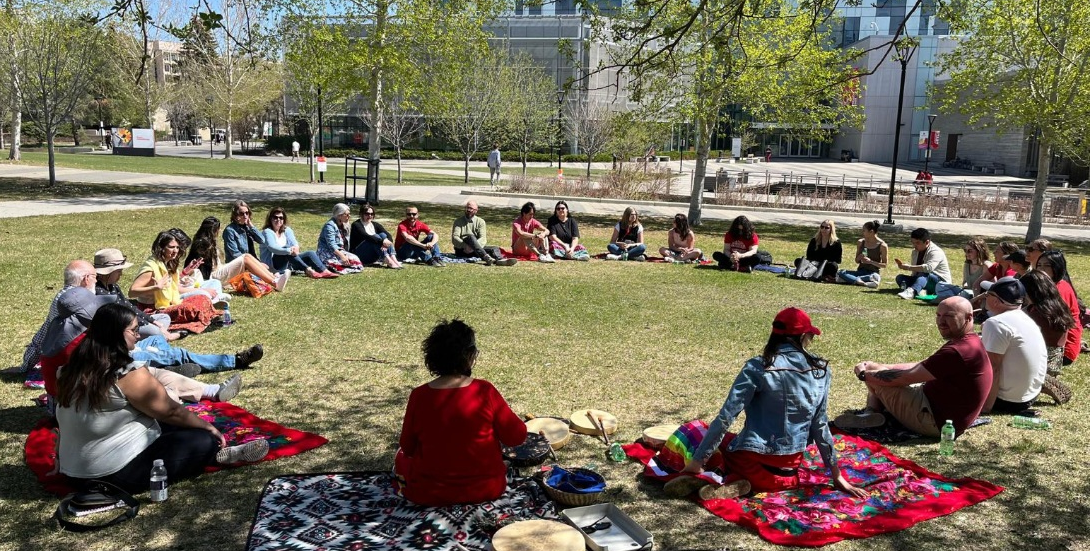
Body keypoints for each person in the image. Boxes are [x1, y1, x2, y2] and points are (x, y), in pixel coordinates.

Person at [55, 304, 269, 495]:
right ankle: (215, 453)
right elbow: (171, 411)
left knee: (170, 425)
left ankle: (214, 450)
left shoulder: (68, 370)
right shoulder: (126, 373)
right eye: (134, 330)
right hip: (112, 474)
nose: (138, 336)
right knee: (203, 439)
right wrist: (208, 427)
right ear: (115, 334)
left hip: (72, 472)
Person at [663, 308, 867, 501]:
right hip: (789, 476)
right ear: (802, 337)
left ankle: (711, 476)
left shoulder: (758, 366)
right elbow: (820, 424)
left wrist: (698, 460)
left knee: (694, 430)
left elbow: (726, 417)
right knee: (726, 445)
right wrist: (836, 474)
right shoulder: (820, 369)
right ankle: (731, 482)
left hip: (751, 465)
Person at [394, 319, 527, 506]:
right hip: (487, 488)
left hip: (428, 492)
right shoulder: (484, 391)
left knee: (400, 458)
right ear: (469, 356)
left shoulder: (419, 396)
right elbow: (517, 436)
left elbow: (407, 447)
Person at [39, 288, 255, 397]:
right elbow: (112, 363)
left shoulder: (60, 330)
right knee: (161, 365)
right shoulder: (80, 343)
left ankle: (175, 369)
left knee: (155, 343)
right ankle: (225, 372)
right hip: (84, 396)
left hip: (84, 387)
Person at [835, 296, 992, 438]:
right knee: (875, 369)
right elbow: (921, 366)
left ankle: (871, 413)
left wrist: (865, 375)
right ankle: (872, 413)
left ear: (968, 318)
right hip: (942, 410)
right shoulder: (969, 342)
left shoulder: (957, 351)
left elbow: (906, 377)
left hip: (935, 422)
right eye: (938, 315)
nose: (940, 321)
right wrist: (882, 366)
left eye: (949, 316)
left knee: (875, 377)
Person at [979, 277, 1047, 414]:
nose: (984, 298)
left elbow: (993, 367)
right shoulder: (1026, 319)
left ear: (996, 301)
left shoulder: (996, 323)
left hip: (1007, 400)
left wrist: (986, 406)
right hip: (1030, 396)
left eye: (987, 295)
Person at [17, 260, 97, 373]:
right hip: (78, 364)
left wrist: (26, 365)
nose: (96, 280)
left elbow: (43, 334)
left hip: (54, 362)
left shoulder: (61, 298)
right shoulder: (84, 301)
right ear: (86, 278)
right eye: (95, 277)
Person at [92, 248, 178, 341]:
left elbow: (128, 306)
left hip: (131, 321)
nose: (121, 274)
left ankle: (158, 335)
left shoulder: (113, 286)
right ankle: (161, 336)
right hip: (121, 327)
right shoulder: (99, 292)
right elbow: (122, 316)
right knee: (154, 331)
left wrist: (152, 320)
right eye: (118, 271)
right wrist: (146, 323)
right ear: (107, 273)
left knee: (163, 317)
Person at [186, 216, 289, 292]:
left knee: (247, 256)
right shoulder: (203, 244)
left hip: (218, 270)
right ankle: (275, 282)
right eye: (218, 229)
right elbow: (203, 269)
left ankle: (274, 278)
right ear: (214, 230)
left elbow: (261, 240)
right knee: (245, 258)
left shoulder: (206, 241)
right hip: (212, 277)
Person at [1021, 270, 1075, 404]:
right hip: (1055, 360)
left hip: (1039, 360)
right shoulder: (1058, 307)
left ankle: (1041, 380)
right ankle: (1043, 379)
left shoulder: (1037, 315)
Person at [261, 207, 338, 278]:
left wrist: (294, 249)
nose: (278, 220)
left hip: (289, 262)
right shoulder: (267, 232)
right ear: (270, 219)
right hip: (273, 266)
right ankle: (308, 270)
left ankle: (325, 271)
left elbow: (295, 245)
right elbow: (272, 248)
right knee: (286, 248)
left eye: (281, 218)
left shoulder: (287, 230)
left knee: (310, 253)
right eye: (275, 217)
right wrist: (289, 250)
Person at [1035, 250, 1082, 366]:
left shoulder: (1059, 289)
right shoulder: (1048, 285)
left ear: (1057, 268)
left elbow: (1053, 323)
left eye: (1047, 266)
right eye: (1039, 265)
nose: (1041, 269)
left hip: (1062, 349)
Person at [451, 200, 516, 266]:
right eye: (467, 208)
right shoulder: (458, 221)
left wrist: (474, 248)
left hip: (476, 250)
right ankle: (486, 257)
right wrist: (465, 246)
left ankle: (500, 260)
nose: (469, 210)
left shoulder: (480, 222)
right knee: (471, 237)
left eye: (471, 209)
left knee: (495, 248)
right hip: (462, 250)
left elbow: (483, 238)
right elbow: (455, 237)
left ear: (476, 210)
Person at [894, 228, 952, 300]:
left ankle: (912, 291)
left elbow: (928, 268)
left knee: (924, 274)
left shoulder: (936, 251)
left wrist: (908, 267)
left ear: (927, 242)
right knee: (900, 278)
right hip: (922, 279)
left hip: (940, 283)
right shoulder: (915, 252)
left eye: (917, 243)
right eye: (913, 243)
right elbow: (915, 273)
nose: (914, 245)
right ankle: (918, 289)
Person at [933, 237, 992, 302]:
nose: (966, 253)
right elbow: (965, 282)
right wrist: (965, 285)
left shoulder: (986, 266)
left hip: (977, 295)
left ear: (979, 251)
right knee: (940, 285)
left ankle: (950, 299)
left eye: (970, 251)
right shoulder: (967, 264)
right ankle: (954, 299)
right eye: (965, 250)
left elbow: (991, 287)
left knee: (965, 294)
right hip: (965, 291)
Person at [836, 219, 887, 288]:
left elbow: (884, 265)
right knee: (841, 272)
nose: (862, 232)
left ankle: (852, 279)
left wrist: (871, 262)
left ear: (871, 232)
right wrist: (859, 257)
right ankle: (863, 283)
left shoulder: (882, 245)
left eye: (864, 230)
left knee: (874, 276)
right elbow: (857, 261)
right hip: (860, 272)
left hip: (872, 273)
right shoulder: (861, 242)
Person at [349, 203, 401, 269]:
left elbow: (388, 235)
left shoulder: (375, 224)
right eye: (367, 214)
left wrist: (386, 242)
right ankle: (388, 261)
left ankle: (393, 258)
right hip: (360, 255)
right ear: (361, 214)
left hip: (373, 255)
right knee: (375, 237)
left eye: (372, 214)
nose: (369, 216)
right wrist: (382, 242)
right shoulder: (356, 225)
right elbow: (366, 236)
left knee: (383, 235)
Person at [317, 203, 365, 274]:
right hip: (327, 251)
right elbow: (331, 245)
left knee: (356, 261)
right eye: (347, 214)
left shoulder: (344, 225)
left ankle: (343, 267)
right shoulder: (329, 226)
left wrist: (345, 255)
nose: (349, 216)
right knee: (337, 265)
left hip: (339, 251)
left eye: (349, 214)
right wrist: (342, 256)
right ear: (339, 215)